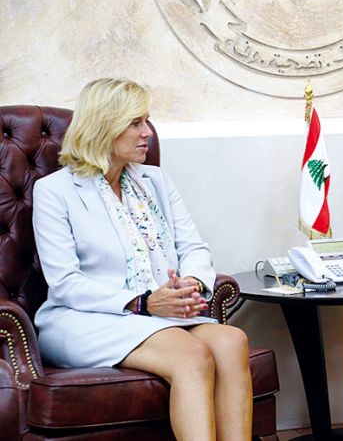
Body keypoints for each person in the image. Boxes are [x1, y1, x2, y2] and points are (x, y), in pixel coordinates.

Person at [32, 78, 252, 440]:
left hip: (157, 315)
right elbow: (65, 283)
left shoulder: (155, 180)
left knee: (232, 341)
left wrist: (191, 284)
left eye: (146, 121)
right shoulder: (55, 191)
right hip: (83, 319)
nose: (147, 132)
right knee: (192, 354)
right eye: (135, 123)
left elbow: (194, 248)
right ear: (103, 127)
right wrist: (144, 303)